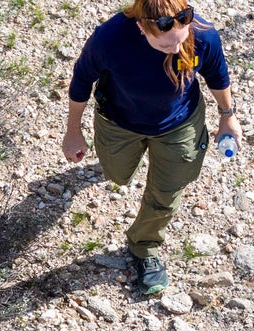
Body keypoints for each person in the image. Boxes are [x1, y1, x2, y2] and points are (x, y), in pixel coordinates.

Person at [62, 0, 243, 295]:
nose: (175, 51)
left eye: (180, 41)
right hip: (119, 122)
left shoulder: (203, 34)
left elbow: (217, 75)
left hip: (180, 124)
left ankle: (144, 248)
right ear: (141, 28)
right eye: (164, 47)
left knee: (167, 192)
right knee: (118, 176)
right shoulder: (109, 39)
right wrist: (73, 132)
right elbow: (81, 81)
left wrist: (227, 117)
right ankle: (119, 166)